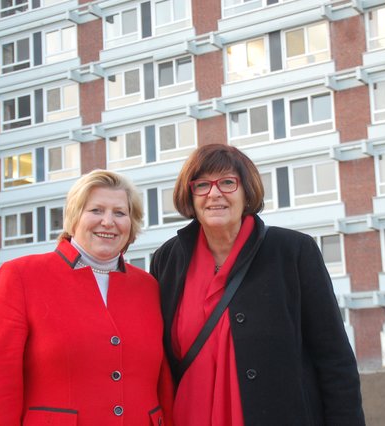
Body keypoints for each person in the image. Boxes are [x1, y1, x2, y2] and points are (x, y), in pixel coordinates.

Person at [150, 144, 365, 426]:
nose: (215, 194)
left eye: (228, 182)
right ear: (190, 195)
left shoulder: (293, 252)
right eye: (202, 185)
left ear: (246, 191)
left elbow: (335, 359)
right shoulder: (167, 259)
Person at [0, 170, 173, 426]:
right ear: (74, 216)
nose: (108, 222)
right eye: (96, 210)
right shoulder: (20, 276)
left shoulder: (149, 287)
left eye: (120, 213)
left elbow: (163, 382)